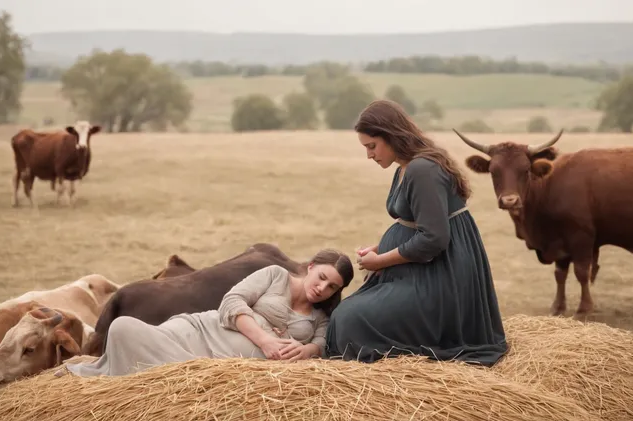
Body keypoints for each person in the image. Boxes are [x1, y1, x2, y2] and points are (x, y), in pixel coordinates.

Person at [324, 99, 508, 367]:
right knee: (346, 314)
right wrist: (380, 247)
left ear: (391, 136)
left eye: (372, 146)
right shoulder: (406, 167)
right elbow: (418, 224)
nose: (369, 155)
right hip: (423, 271)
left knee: (350, 318)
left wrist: (381, 261)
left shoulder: (424, 170)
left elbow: (434, 238)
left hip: (443, 277)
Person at [62, 249, 354, 377]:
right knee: (123, 327)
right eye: (322, 277)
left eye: (332, 287)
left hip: (224, 362)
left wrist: (306, 351)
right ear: (312, 267)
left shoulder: (322, 316)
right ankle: (179, 371)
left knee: (146, 349)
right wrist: (265, 341)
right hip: (202, 332)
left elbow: (323, 344)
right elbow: (232, 302)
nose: (323, 288)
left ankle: (185, 373)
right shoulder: (276, 275)